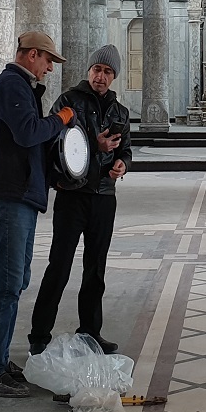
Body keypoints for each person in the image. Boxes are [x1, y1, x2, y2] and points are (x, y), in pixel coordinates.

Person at [0, 31, 75, 398]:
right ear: (32, 55)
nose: (50, 68)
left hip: (22, 195)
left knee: (15, 282)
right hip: (10, 196)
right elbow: (28, 133)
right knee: (6, 284)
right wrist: (61, 119)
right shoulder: (11, 86)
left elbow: (29, 146)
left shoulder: (21, 88)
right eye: (48, 60)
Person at [28, 45, 132, 357]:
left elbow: (125, 148)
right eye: (97, 69)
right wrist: (94, 146)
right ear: (89, 71)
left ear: (114, 77)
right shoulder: (69, 101)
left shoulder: (120, 112)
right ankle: (39, 335)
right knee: (59, 266)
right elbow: (56, 142)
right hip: (73, 195)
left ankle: (90, 332)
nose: (101, 76)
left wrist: (123, 164)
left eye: (108, 72)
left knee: (95, 269)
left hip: (103, 197)